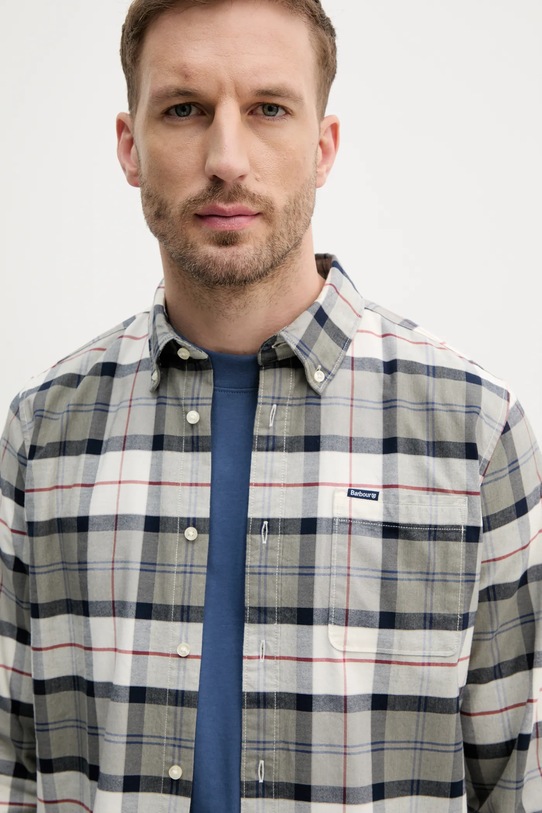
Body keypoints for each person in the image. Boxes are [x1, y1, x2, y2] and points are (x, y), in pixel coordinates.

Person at [0, 0, 541, 810]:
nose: (227, 159)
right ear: (129, 145)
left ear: (323, 148)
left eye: (269, 109)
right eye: (184, 109)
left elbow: (519, 786)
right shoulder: (43, 435)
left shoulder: (475, 436)